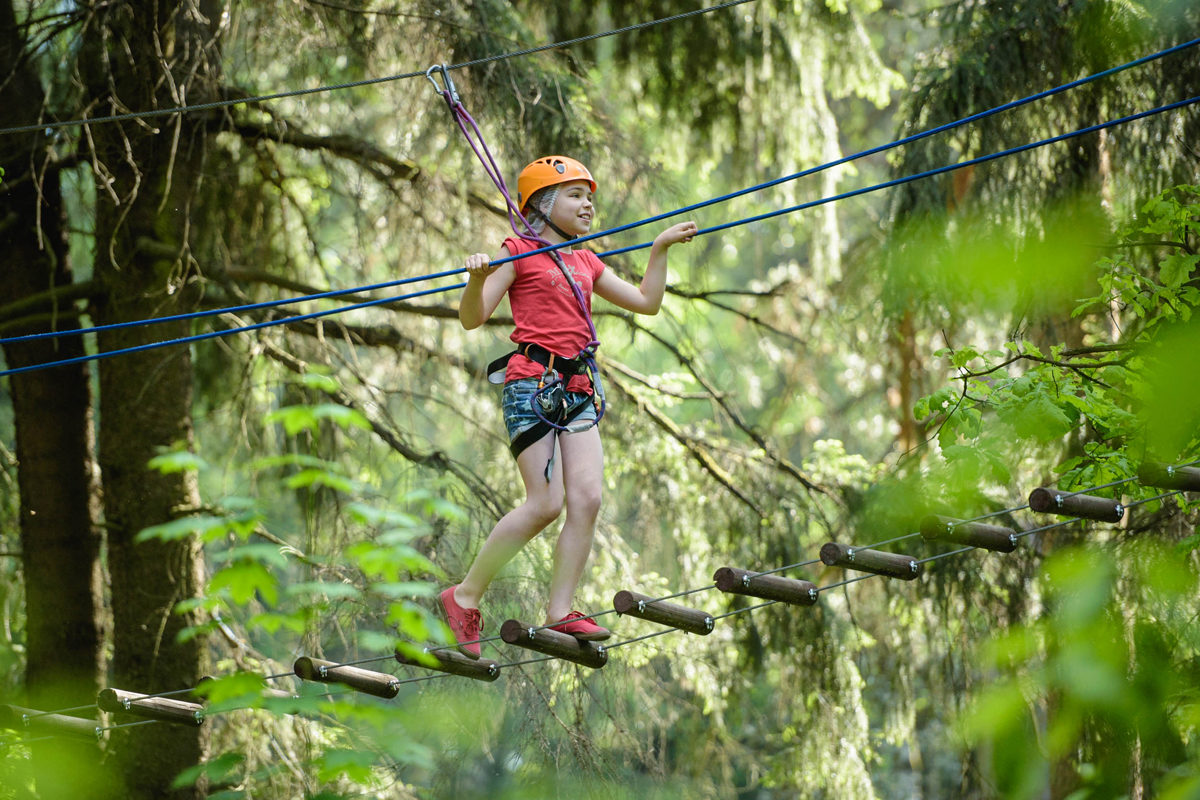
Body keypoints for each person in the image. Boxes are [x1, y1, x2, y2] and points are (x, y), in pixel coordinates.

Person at [440, 155, 698, 658]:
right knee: (545, 504)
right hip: (531, 385)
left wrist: (660, 247)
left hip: (577, 388)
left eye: (590, 196)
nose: (588, 204)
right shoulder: (516, 252)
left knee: (587, 499)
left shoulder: (584, 258)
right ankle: (464, 595)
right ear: (542, 203)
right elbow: (472, 318)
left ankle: (561, 611)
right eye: (576, 195)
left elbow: (646, 301)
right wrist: (475, 278)